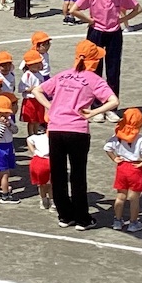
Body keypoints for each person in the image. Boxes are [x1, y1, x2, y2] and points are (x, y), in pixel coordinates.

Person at [31, 39, 122, 230]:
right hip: (77, 131)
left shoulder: (63, 75)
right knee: (78, 175)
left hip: (56, 129)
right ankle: (82, 218)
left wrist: (50, 106)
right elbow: (114, 101)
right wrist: (94, 112)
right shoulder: (95, 80)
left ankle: (65, 216)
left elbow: (38, 90)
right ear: (94, 61)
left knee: (58, 174)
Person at [70, 0, 142, 99]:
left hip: (114, 32)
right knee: (93, 67)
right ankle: (95, 102)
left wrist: (122, 20)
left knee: (113, 69)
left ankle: (111, 103)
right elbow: (73, 9)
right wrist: (89, 20)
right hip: (96, 31)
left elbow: (138, 9)